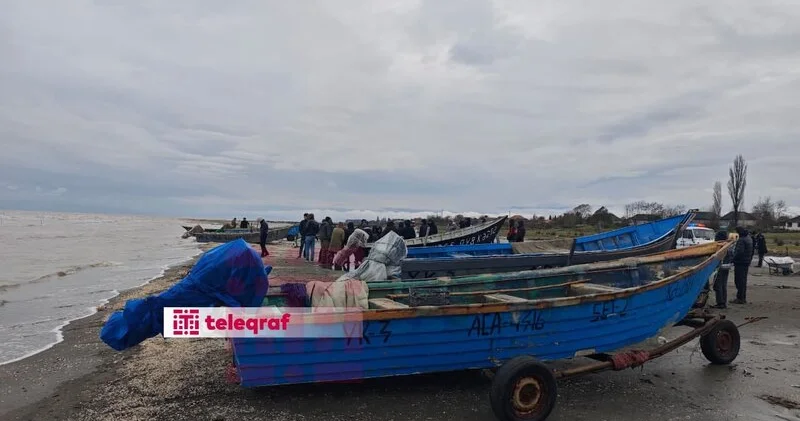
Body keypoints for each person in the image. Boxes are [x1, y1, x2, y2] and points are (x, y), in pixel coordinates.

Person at [731, 226, 753, 304]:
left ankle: (740, 298)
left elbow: (739, 252)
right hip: (746, 262)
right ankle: (742, 297)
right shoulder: (748, 238)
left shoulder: (741, 240)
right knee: (743, 280)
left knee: (739, 280)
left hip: (740, 262)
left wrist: (732, 259)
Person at [712, 230, 734, 309]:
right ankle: (723, 302)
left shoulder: (721, 246)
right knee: (723, 285)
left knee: (718, 285)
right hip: (726, 267)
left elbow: (717, 257)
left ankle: (720, 303)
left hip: (720, 268)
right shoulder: (729, 245)